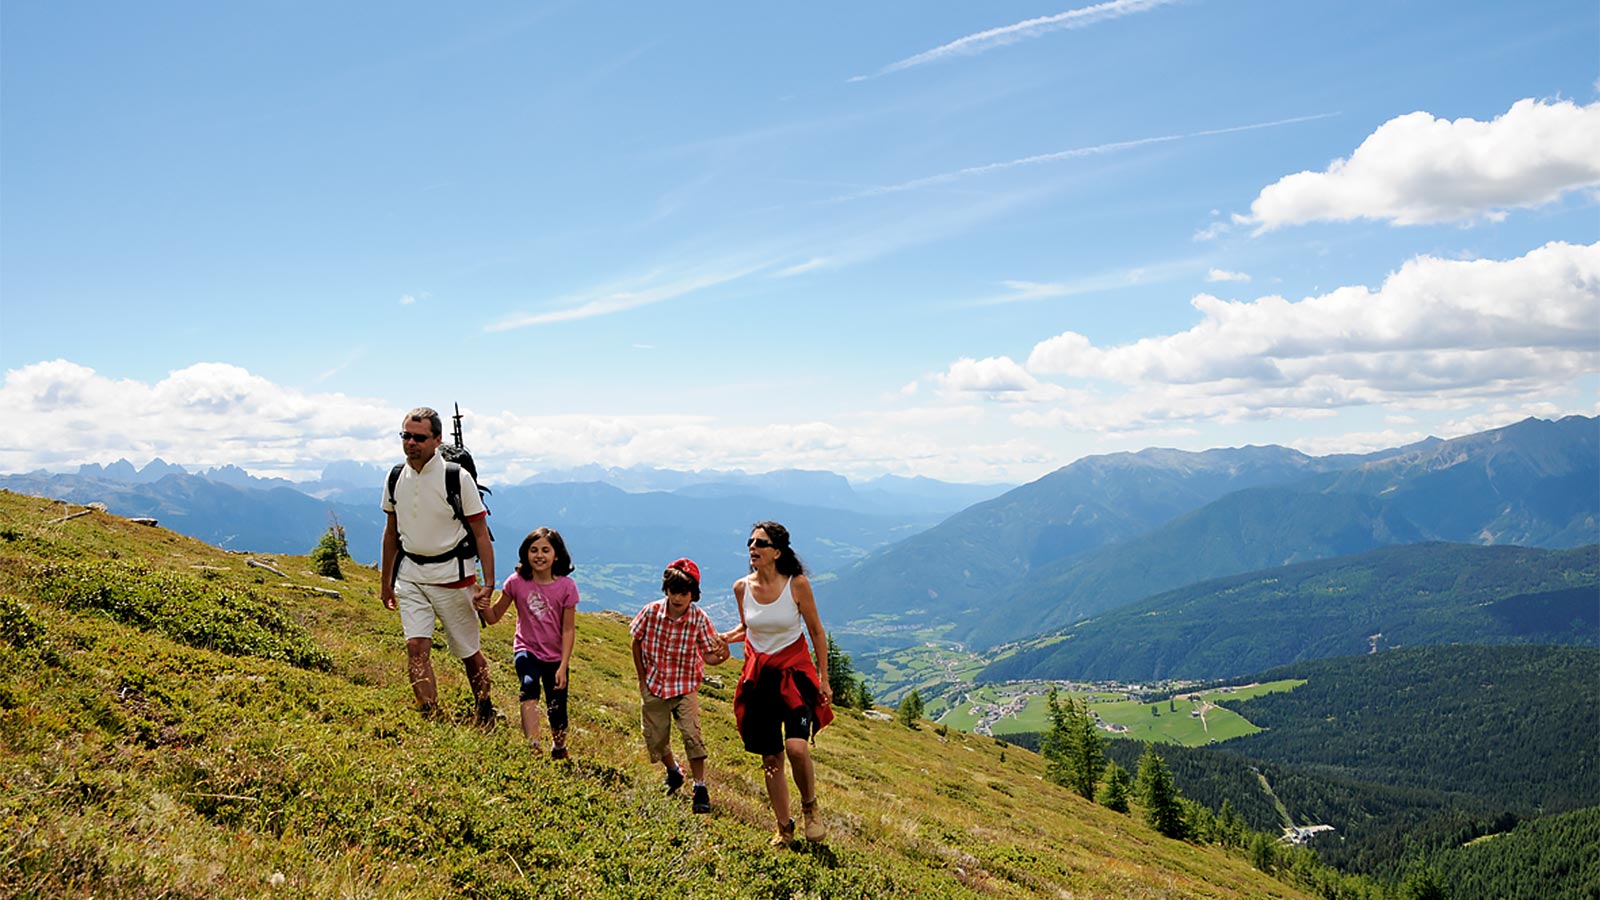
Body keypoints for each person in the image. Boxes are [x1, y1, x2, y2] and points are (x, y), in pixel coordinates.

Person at [379, 407, 498, 726]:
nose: (411, 443)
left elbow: (480, 534)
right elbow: (391, 532)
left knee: (469, 651)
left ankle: (484, 707)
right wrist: (386, 582)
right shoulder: (394, 477)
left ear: (437, 439)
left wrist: (488, 583)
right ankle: (430, 714)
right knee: (416, 647)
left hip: (454, 577)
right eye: (406, 436)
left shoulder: (456, 478)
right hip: (411, 576)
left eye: (419, 437)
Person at [719, 521, 833, 846]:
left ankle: (810, 807)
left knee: (797, 748)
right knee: (771, 758)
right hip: (760, 680)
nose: (753, 547)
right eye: (751, 542)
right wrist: (724, 639)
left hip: (795, 676)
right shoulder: (741, 587)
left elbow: (816, 631)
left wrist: (824, 678)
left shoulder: (796, 584)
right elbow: (749, 628)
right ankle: (784, 827)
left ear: (777, 552)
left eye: (761, 543)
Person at [630, 558, 730, 814]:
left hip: (685, 687)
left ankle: (700, 786)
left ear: (692, 594)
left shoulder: (698, 618)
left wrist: (723, 656)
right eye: (673, 591)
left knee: (691, 735)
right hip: (654, 686)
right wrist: (642, 680)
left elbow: (709, 654)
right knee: (656, 737)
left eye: (683, 593)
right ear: (667, 590)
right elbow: (637, 642)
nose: (677, 598)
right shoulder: (651, 611)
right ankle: (674, 771)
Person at [480, 527, 579, 758]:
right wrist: (481, 604)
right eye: (533, 550)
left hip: (555, 657)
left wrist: (563, 665)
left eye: (546, 550)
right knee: (528, 685)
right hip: (526, 649)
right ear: (525, 554)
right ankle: (533, 747)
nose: (539, 555)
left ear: (557, 555)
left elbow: (568, 628)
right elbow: (494, 617)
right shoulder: (516, 582)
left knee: (557, 710)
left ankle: (559, 747)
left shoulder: (566, 587)